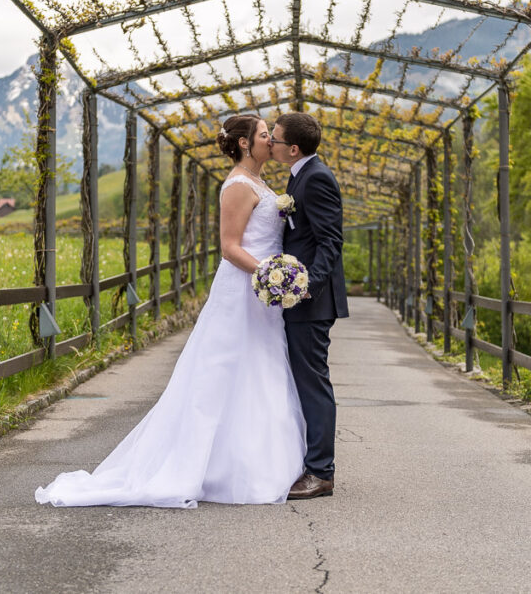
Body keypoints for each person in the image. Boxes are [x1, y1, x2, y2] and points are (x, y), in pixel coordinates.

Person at [35, 114, 306, 508]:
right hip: (243, 289)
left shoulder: (264, 184)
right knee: (222, 372)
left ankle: (256, 462)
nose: (271, 140)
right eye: (265, 135)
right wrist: (267, 272)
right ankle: (204, 468)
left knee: (261, 369)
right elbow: (230, 247)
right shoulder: (237, 186)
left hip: (263, 296)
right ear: (245, 144)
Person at [269, 112, 349, 500]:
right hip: (300, 297)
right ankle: (311, 462)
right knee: (305, 379)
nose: (271, 144)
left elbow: (331, 241)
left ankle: (321, 472)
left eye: (276, 140)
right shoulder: (299, 174)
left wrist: (304, 287)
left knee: (313, 382)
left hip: (311, 301)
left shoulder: (315, 177)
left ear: (293, 148)